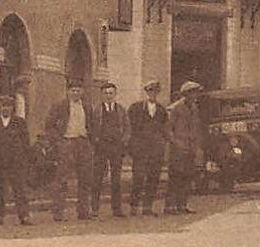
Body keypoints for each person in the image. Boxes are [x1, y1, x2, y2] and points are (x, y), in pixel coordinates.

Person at [45, 78, 97, 221]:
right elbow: (49, 126)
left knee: (85, 179)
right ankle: (58, 212)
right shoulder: (60, 106)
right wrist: (58, 142)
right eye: (73, 90)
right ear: (68, 92)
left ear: (83, 92)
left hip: (83, 143)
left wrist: (90, 141)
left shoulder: (87, 107)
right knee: (62, 179)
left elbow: (91, 125)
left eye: (78, 90)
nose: (75, 93)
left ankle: (83, 211)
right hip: (67, 143)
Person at [0, 93, 32, 225]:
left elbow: (25, 143)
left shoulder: (19, 123)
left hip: (15, 162)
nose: (6, 109)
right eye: (3, 106)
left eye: (9, 106)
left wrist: (23, 159)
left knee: (19, 189)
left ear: (12, 108)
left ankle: (24, 216)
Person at [128, 79, 169, 216]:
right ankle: (134, 206)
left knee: (153, 177)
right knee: (138, 177)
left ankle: (147, 207)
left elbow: (164, 129)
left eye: (155, 91)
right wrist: (132, 148)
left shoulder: (162, 110)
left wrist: (162, 145)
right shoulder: (136, 108)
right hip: (140, 149)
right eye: (150, 91)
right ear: (146, 92)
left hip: (156, 150)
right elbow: (130, 129)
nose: (153, 94)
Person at [165, 81, 205, 215]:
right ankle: (170, 206)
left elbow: (197, 129)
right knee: (175, 177)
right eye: (193, 93)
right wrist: (176, 143)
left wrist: (197, 147)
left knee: (187, 177)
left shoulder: (194, 108)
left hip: (190, 148)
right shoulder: (176, 108)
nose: (195, 96)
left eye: (196, 93)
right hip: (178, 149)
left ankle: (182, 204)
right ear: (186, 94)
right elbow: (168, 130)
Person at [91, 81, 130, 218]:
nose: (108, 96)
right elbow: (91, 128)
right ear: (102, 95)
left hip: (116, 147)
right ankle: (94, 209)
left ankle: (117, 209)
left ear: (115, 94)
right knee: (97, 178)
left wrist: (123, 142)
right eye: (106, 93)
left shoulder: (121, 110)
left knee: (116, 179)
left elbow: (127, 128)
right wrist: (95, 140)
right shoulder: (96, 110)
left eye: (111, 93)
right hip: (101, 147)